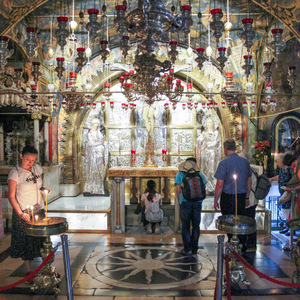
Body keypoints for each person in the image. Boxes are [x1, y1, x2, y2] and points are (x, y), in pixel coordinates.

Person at [8, 146, 48, 281]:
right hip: (24, 211)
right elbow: (11, 196)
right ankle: (29, 270)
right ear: (21, 156)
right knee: (27, 241)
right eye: (27, 160)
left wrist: (44, 190)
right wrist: (19, 213)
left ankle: (46, 267)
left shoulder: (37, 169)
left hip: (39, 209)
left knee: (42, 239)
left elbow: (39, 185)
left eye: (33, 160)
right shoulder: (16, 172)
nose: (30, 163)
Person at [214, 139, 252, 252]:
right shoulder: (245, 162)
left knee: (229, 221)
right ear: (235, 148)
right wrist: (247, 197)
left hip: (228, 197)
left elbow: (219, 184)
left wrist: (216, 200)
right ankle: (242, 244)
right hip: (241, 196)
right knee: (240, 219)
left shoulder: (224, 163)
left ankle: (232, 242)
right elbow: (249, 182)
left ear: (225, 149)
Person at [175, 158, 207, 255]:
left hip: (185, 202)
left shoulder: (180, 174)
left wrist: (179, 200)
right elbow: (204, 186)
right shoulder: (200, 174)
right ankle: (195, 248)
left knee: (185, 226)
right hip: (198, 202)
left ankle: (187, 248)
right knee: (196, 226)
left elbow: (177, 189)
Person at [269, 153, 293, 235]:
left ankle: (291, 228)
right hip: (282, 192)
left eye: (278, 161)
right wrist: (272, 179)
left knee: (290, 211)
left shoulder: (289, 169)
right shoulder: (282, 169)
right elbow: (280, 176)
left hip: (289, 193)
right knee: (285, 210)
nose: (277, 163)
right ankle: (287, 226)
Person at [196, 117, 221, 192]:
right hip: (204, 154)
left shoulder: (216, 133)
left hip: (212, 153)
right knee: (205, 169)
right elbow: (198, 141)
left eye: (210, 122)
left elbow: (216, 143)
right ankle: (205, 185)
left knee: (212, 169)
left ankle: (213, 186)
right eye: (208, 122)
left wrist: (207, 145)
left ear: (213, 123)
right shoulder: (204, 133)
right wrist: (204, 137)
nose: (209, 124)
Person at [84, 119, 108, 195]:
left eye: (97, 125)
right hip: (93, 157)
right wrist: (100, 143)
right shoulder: (89, 134)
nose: (96, 126)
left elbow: (103, 142)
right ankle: (91, 188)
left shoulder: (99, 134)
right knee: (93, 171)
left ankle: (99, 188)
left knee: (99, 172)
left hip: (99, 157)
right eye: (95, 124)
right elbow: (90, 144)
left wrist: (104, 144)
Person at [239, 152, 258, 251]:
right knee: (249, 221)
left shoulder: (247, 170)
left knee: (248, 222)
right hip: (251, 200)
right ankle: (248, 243)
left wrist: (246, 198)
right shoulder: (251, 169)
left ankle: (248, 244)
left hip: (249, 200)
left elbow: (248, 185)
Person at [283, 154, 300, 219]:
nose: (291, 167)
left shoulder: (299, 168)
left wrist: (293, 189)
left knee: (296, 213)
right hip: (296, 194)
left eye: (290, 165)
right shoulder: (295, 167)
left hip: (298, 193)